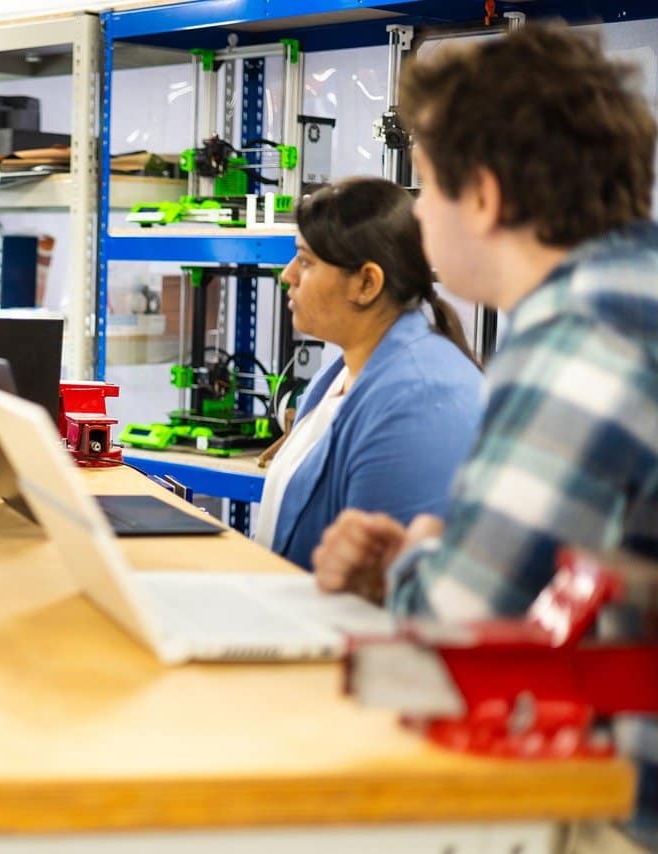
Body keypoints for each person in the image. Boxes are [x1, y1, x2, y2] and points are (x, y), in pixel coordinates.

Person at [309, 25, 658, 847]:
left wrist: (421, 558)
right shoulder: (634, 293)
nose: (420, 213)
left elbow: (460, 630)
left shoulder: (583, 340)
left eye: (426, 187)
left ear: (486, 197)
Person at [253, 177, 482, 573]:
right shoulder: (339, 374)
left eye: (305, 262)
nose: (287, 275)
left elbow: (382, 593)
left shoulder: (419, 403)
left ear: (366, 283)